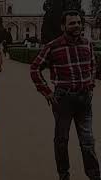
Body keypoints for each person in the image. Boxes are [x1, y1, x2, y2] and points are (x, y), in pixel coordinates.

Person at [30, 10, 100, 180]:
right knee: (61, 141)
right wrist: (47, 92)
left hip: (84, 99)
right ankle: (64, 175)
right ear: (63, 26)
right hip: (63, 100)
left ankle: (94, 176)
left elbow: (92, 65)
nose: (76, 25)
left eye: (78, 22)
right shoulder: (53, 46)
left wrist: (90, 85)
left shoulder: (87, 44)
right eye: (72, 23)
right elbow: (34, 68)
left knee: (88, 142)